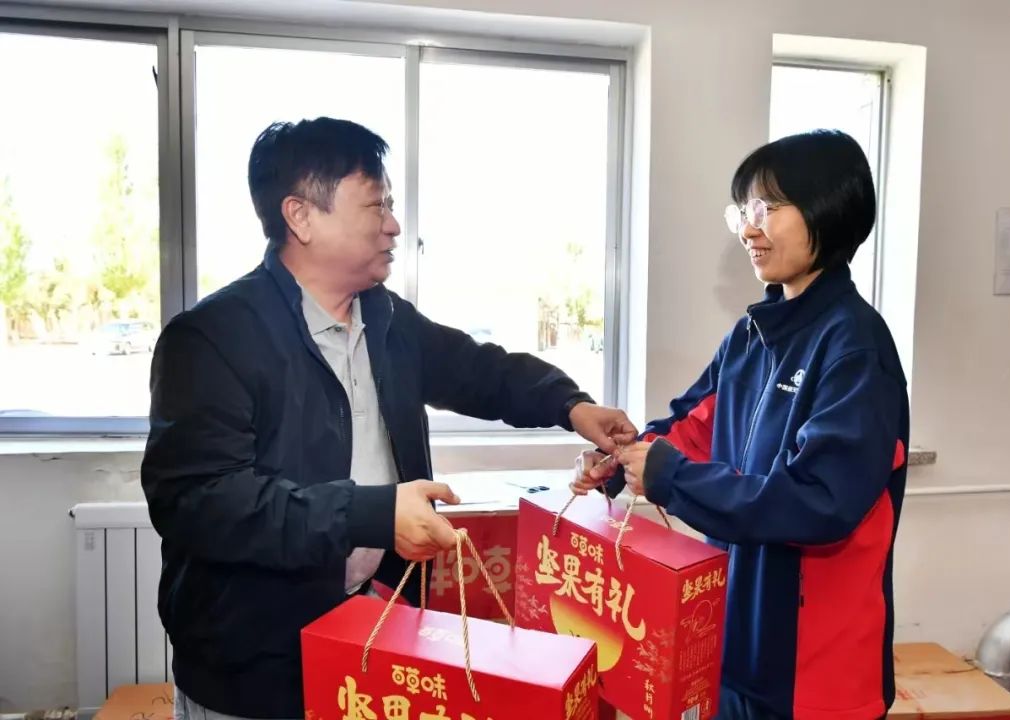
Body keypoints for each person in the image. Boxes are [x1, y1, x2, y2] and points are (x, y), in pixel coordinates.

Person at [142, 117, 637, 720]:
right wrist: (372, 513)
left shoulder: (384, 319)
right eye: (376, 205)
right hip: (254, 663)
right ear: (301, 216)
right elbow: (201, 501)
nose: (394, 225)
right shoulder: (213, 339)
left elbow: (479, 370)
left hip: (372, 632)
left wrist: (571, 405)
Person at [575, 130, 909, 720]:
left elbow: (819, 502)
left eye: (766, 209)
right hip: (733, 639)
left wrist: (671, 477)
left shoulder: (855, 346)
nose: (748, 230)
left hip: (815, 673)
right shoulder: (752, 335)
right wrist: (623, 459)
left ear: (829, 208)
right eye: (743, 213)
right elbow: (692, 426)